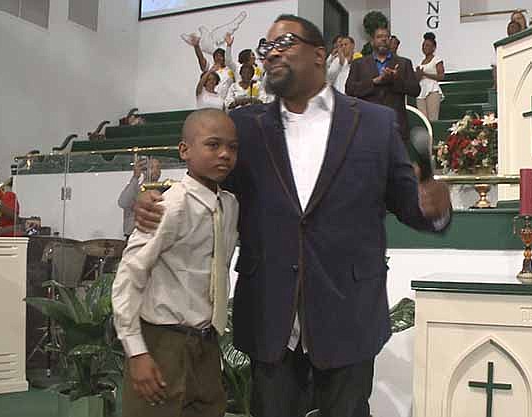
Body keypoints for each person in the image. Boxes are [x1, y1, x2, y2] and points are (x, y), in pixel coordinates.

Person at [135, 14, 451, 417]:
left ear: (320, 55)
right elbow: (207, 184)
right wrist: (155, 197)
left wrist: (432, 209)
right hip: (270, 315)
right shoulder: (244, 128)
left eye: (283, 43)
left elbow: (409, 203)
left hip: (349, 313)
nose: (271, 54)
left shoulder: (375, 123)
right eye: (266, 48)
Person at [113, 109, 239, 417]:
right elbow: (130, 275)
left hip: (206, 344)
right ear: (185, 150)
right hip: (163, 344)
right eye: (212, 145)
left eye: (232, 147)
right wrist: (137, 352)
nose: (224, 154)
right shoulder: (168, 205)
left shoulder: (230, 205)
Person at [346, 26, 421, 145]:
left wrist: (396, 80)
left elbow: (416, 90)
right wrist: (374, 81)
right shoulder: (359, 64)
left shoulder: (403, 63)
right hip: (368, 125)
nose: (383, 39)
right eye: (379, 37)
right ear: (372, 41)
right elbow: (349, 89)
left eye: (386, 37)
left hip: (396, 127)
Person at [117, 158, 161, 240]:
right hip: (134, 238)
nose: (156, 171)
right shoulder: (135, 189)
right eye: (151, 167)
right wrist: (135, 177)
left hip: (155, 239)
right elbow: (123, 203)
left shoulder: (163, 191)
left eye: (158, 167)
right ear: (144, 171)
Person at [187, 34, 236, 100]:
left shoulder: (231, 68)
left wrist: (229, 46)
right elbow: (201, 59)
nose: (218, 58)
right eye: (216, 56)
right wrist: (196, 46)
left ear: (225, 57)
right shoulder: (210, 68)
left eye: (221, 56)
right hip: (211, 100)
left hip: (226, 102)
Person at [415, 32, 445, 121]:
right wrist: (418, 75)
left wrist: (425, 74)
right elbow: (418, 78)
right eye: (423, 45)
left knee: (433, 118)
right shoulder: (420, 62)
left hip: (432, 90)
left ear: (433, 47)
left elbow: (441, 76)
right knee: (423, 119)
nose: (425, 47)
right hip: (421, 91)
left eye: (428, 45)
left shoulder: (437, 60)